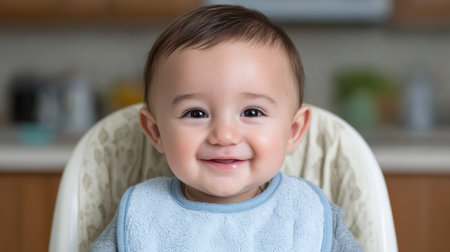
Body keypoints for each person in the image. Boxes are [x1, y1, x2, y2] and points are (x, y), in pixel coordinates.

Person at [91, 5, 363, 252]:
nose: (224, 135)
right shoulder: (141, 215)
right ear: (156, 132)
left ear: (292, 131)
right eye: (196, 113)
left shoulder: (307, 214)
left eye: (252, 112)